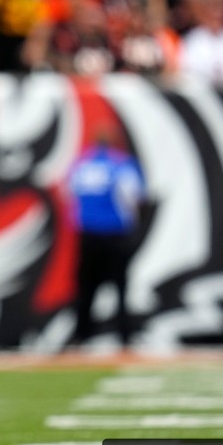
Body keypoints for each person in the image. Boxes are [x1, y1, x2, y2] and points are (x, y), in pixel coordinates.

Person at [67, 126, 147, 348]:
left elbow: (71, 196)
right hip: (115, 234)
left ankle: (81, 335)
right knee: (121, 287)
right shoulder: (121, 165)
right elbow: (135, 195)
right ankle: (124, 336)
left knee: (86, 288)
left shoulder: (81, 165)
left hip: (87, 236)